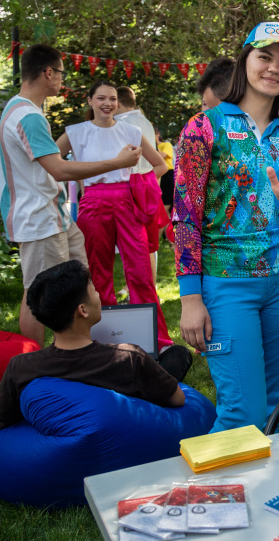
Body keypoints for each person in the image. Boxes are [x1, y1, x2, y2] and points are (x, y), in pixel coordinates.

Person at [174, 21, 279, 432]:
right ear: (245, 60)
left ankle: (269, 492)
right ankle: (211, 495)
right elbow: (185, 215)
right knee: (242, 412)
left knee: (278, 407)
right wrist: (189, 298)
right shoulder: (204, 127)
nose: (274, 68)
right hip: (226, 283)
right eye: (265, 57)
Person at [0, 44, 141, 345]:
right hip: (38, 218)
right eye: (61, 73)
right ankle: (36, 362)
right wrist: (117, 163)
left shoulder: (20, 109)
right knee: (38, 291)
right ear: (48, 73)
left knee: (78, 283)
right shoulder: (27, 116)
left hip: (55, 216)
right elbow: (58, 170)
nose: (62, 79)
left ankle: (82, 349)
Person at [56, 82, 177, 354]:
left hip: (126, 202)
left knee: (141, 273)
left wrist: (139, 184)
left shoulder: (130, 130)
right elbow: (52, 163)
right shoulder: (76, 132)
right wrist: (83, 177)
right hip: (92, 204)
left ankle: (157, 340)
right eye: (101, 98)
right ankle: (102, 341)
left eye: (112, 98)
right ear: (90, 100)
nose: (107, 103)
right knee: (97, 275)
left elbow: (160, 164)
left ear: (118, 103)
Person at [0, 260, 184, 430]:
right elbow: (178, 399)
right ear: (83, 310)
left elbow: (1, 420)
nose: (98, 294)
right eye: (93, 290)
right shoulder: (129, 358)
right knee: (178, 354)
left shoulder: (20, 368)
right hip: (127, 436)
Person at [115, 85, 170, 275]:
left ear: (118, 102)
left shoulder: (120, 123)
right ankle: (148, 287)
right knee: (147, 242)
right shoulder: (144, 121)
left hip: (133, 186)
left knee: (134, 242)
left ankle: (140, 289)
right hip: (149, 184)